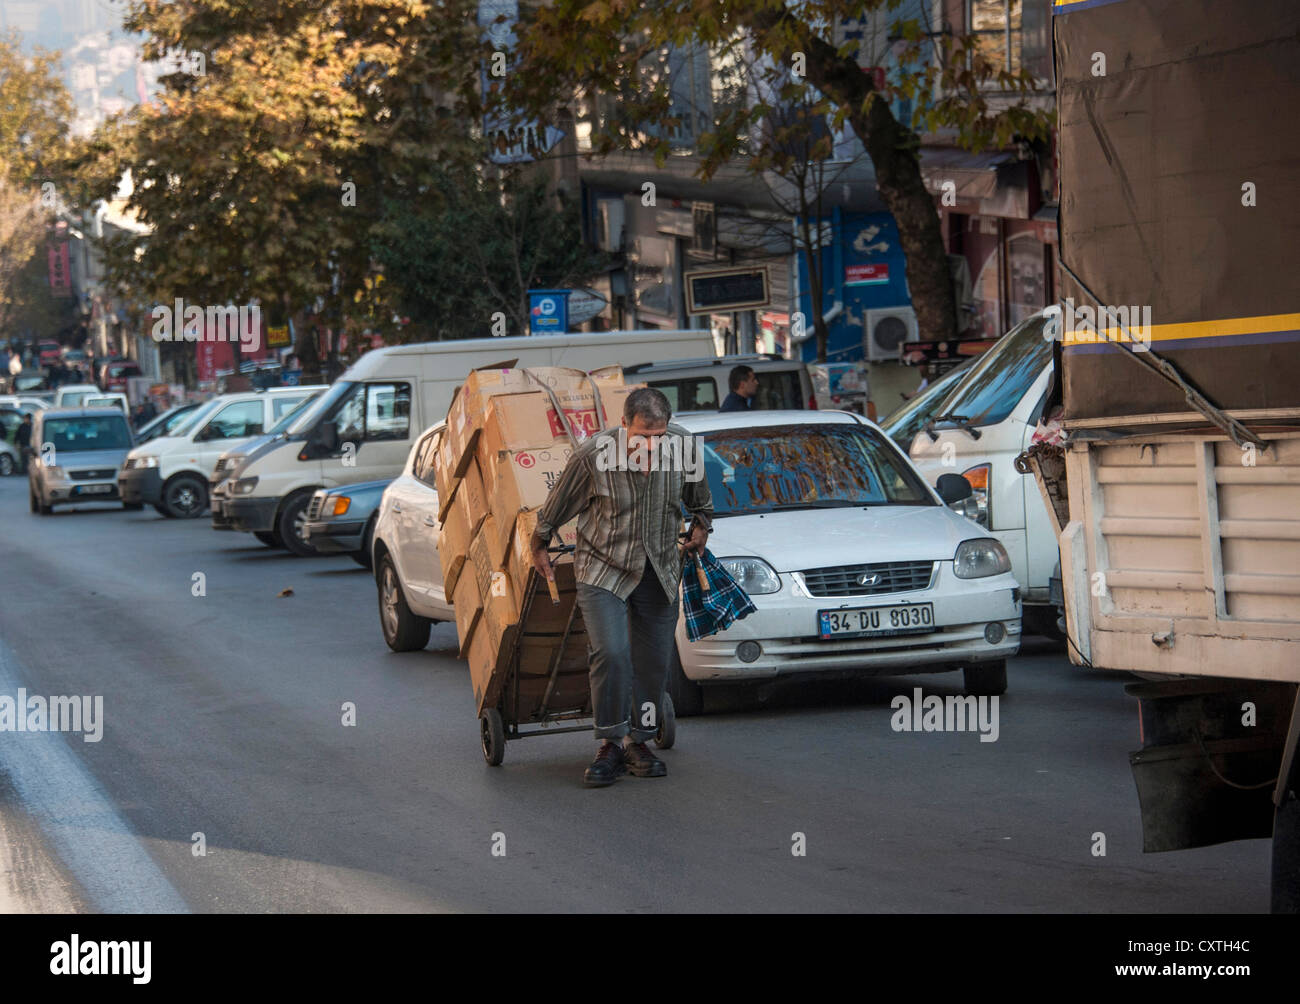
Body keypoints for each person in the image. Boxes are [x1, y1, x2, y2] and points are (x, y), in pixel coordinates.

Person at [531, 387, 713, 788]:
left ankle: (639, 741)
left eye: (658, 436)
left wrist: (701, 528)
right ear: (624, 425)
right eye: (642, 436)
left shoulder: (683, 447)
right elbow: (555, 507)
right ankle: (610, 743)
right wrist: (539, 544)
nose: (651, 446)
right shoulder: (594, 455)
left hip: (660, 568)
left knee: (652, 662)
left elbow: (700, 503)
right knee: (612, 653)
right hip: (603, 568)